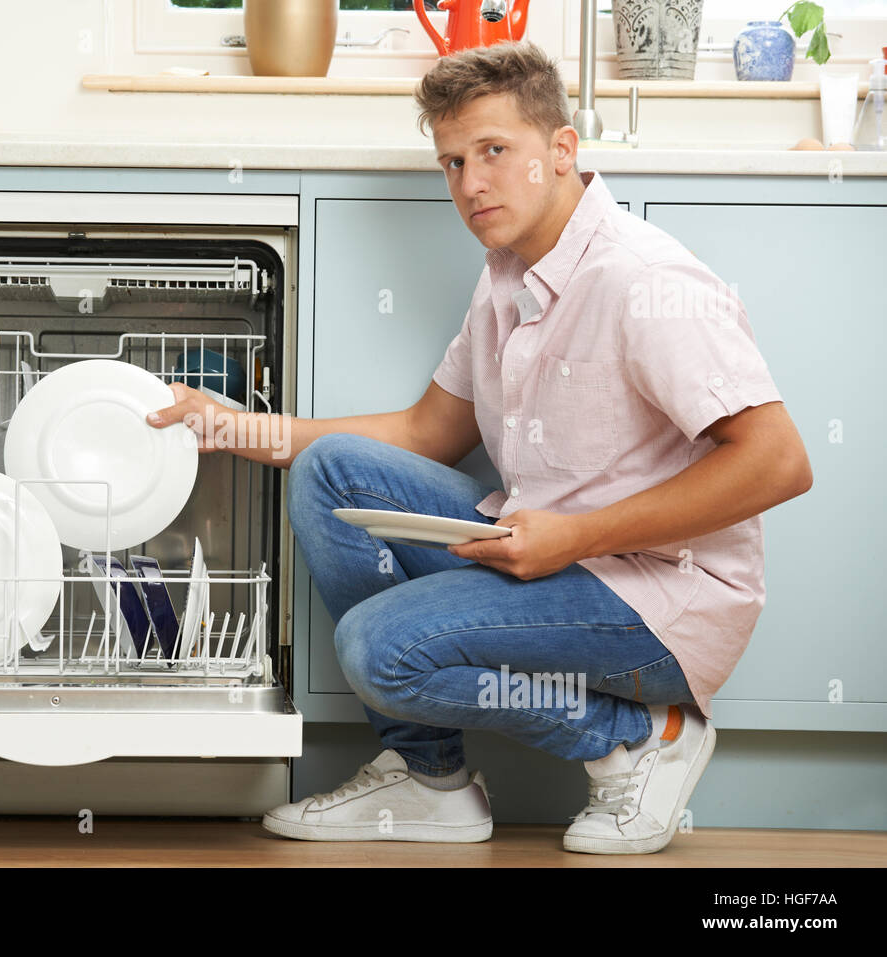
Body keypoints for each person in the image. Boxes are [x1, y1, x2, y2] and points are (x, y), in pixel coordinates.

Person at [144, 40, 812, 855]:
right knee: (330, 472)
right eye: (452, 162)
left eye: (494, 151)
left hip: (658, 602)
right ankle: (430, 781)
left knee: (377, 648)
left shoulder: (643, 280)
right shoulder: (504, 275)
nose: (470, 183)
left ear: (561, 151)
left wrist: (575, 535)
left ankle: (638, 738)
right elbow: (429, 431)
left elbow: (779, 460)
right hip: (556, 553)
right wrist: (232, 425)